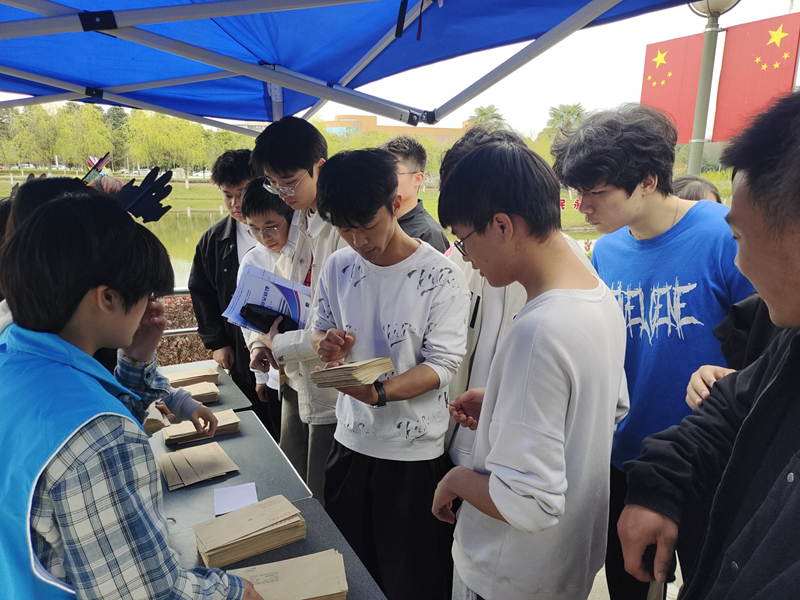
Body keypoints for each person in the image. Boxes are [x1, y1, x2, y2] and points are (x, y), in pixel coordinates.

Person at [0, 192, 261, 600]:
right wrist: (237, 591)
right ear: (107, 298)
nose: (151, 306)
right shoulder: (99, 437)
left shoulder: (11, 361)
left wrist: (137, 360)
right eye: (145, 294)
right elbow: (148, 592)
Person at [551, 103, 754, 600]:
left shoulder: (725, 236)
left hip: (711, 462)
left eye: (595, 192)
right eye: (577, 191)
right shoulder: (607, 251)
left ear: (646, 179)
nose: (581, 206)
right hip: (627, 461)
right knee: (632, 585)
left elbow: (768, 348)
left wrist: (734, 376)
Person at [618, 91, 800, 600]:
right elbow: (731, 406)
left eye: (739, 239)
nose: (737, 264)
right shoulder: (790, 342)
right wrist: (656, 486)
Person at [431, 140, 628, 600]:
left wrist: (455, 479)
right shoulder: (598, 296)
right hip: (567, 562)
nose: (467, 257)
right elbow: (609, 407)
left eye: (464, 240)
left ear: (502, 225)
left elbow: (529, 503)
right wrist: (504, 402)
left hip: (509, 575)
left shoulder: (538, 332)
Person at [310, 148, 469, 600]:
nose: (358, 240)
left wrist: (378, 393)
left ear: (395, 204)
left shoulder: (441, 275)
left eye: (367, 225)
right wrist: (327, 344)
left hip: (413, 456)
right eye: (345, 229)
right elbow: (319, 330)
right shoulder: (338, 266)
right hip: (349, 443)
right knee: (350, 578)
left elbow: (442, 364)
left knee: (412, 584)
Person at [439, 126, 599, 469]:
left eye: (464, 233)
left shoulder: (546, 316)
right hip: (468, 443)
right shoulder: (462, 261)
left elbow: (533, 491)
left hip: (508, 469)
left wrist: (463, 482)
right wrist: (500, 402)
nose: (467, 254)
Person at [248, 116, 348, 502]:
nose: (283, 193)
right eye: (274, 183)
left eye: (289, 182)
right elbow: (290, 298)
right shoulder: (300, 220)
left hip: (331, 389)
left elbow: (337, 331)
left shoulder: (341, 230)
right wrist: (263, 341)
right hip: (294, 378)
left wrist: (279, 344)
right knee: (294, 487)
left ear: (319, 167)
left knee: (321, 497)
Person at [189, 149, 261, 421]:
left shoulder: (285, 227)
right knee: (252, 415)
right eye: (227, 195)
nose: (235, 203)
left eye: (242, 193)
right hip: (238, 347)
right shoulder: (214, 239)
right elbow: (201, 293)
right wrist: (218, 342)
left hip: (279, 345)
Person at [238, 177, 296, 441]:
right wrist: (260, 377)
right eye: (254, 229)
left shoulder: (305, 253)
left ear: (290, 215)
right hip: (273, 373)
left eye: (271, 227)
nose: (264, 237)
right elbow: (246, 318)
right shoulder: (253, 259)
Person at [379, 135, 450, 252]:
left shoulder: (429, 234)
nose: (383, 180)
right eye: (380, 173)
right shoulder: (377, 224)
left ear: (417, 179)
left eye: (391, 173)